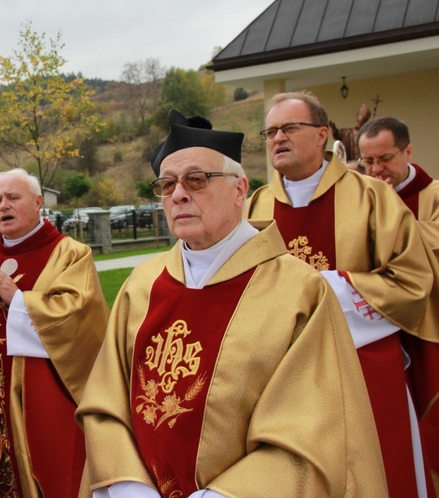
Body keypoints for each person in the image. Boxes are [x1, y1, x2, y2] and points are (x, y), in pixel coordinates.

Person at [76, 110, 386, 497]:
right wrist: (128, 487)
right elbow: (106, 403)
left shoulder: (299, 291)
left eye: (197, 179)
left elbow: (311, 429)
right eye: (167, 184)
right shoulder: (141, 285)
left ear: (240, 190)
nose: (179, 194)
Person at [247, 91, 438, 497]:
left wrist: (327, 286)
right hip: (283, 377)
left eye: (289, 128)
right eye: (270, 131)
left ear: (321, 134)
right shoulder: (255, 207)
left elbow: (411, 282)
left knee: (381, 473)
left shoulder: (372, 196)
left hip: (365, 368)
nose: (278, 137)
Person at [0, 167, 109, 497]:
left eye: (13, 198)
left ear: (39, 201)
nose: (3, 206)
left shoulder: (70, 255)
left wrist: (19, 300)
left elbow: (80, 318)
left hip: (47, 405)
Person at [358, 116, 439, 493]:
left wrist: (387, 214)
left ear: (409, 151)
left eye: (385, 159)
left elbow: (427, 251)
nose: (376, 170)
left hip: (430, 333)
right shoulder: (358, 200)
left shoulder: (434, 195)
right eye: (367, 162)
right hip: (379, 332)